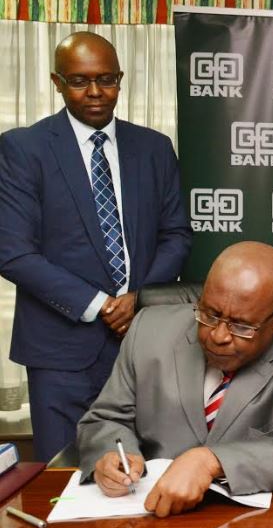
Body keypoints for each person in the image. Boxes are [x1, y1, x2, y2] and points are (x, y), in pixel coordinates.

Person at [0, 31, 191, 462]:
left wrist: (138, 299)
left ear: (120, 79)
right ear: (57, 82)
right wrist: (101, 304)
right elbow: (13, 251)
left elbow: (176, 235)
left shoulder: (154, 148)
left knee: (143, 472)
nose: (95, 92)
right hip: (60, 349)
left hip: (143, 340)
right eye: (79, 81)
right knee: (64, 476)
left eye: (106, 79)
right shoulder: (23, 149)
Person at [77, 241, 273, 517]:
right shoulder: (148, 330)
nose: (218, 335)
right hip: (148, 514)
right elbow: (106, 419)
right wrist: (111, 456)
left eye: (241, 326)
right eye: (210, 314)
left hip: (254, 527)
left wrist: (212, 461)